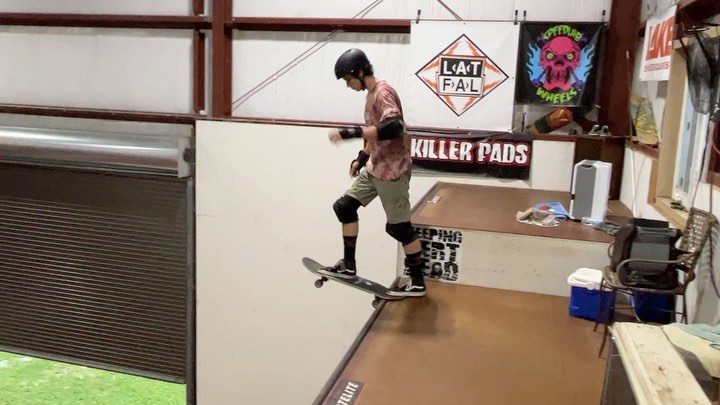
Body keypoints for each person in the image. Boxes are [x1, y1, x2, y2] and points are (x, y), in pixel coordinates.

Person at [318, 48, 426, 297]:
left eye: (348, 79)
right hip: (375, 166)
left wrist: (351, 133)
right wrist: (361, 158)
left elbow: (394, 126)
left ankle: (418, 282)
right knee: (344, 207)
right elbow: (375, 134)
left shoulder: (383, 92)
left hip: (393, 171)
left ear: (359, 72)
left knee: (399, 228)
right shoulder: (370, 97)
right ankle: (348, 266)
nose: (348, 85)